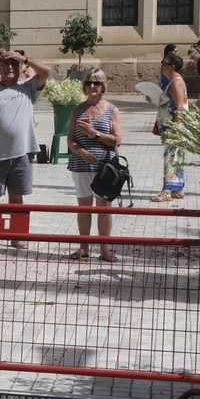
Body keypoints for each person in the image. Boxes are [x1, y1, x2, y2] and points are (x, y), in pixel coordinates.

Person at [0, 50, 51, 250]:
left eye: (13, 64)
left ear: (19, 68)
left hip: (22, 154)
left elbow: (47, 71)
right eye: (5, 64)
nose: (9, 67)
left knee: (17, 197)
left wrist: (24, 59)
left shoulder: (27, 88)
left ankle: (17, 236)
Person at [65, 69, 123, 261]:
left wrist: (94, 133)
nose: (92, 86)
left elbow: (117, 140)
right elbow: (70, 139)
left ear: (103, 86)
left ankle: (105, 249)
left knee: (104, 207)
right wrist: (81, 152)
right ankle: (84, 247)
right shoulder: (78, 109)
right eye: (89, 82)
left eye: (96, 83)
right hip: (81, 166)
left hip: (105, 167)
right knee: (84, 206)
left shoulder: (111, 110)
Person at [151, 54, 189, 203]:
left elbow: (179, 106)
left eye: (164, 62)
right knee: (176, 156)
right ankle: (178, 189)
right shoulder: (173, 81)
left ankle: (167, 190)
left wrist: (176, 127)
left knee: (171, 157)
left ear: (172, 66)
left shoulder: (176, 82)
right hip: (174, 125)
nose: (162, 65)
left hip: (175, 126)